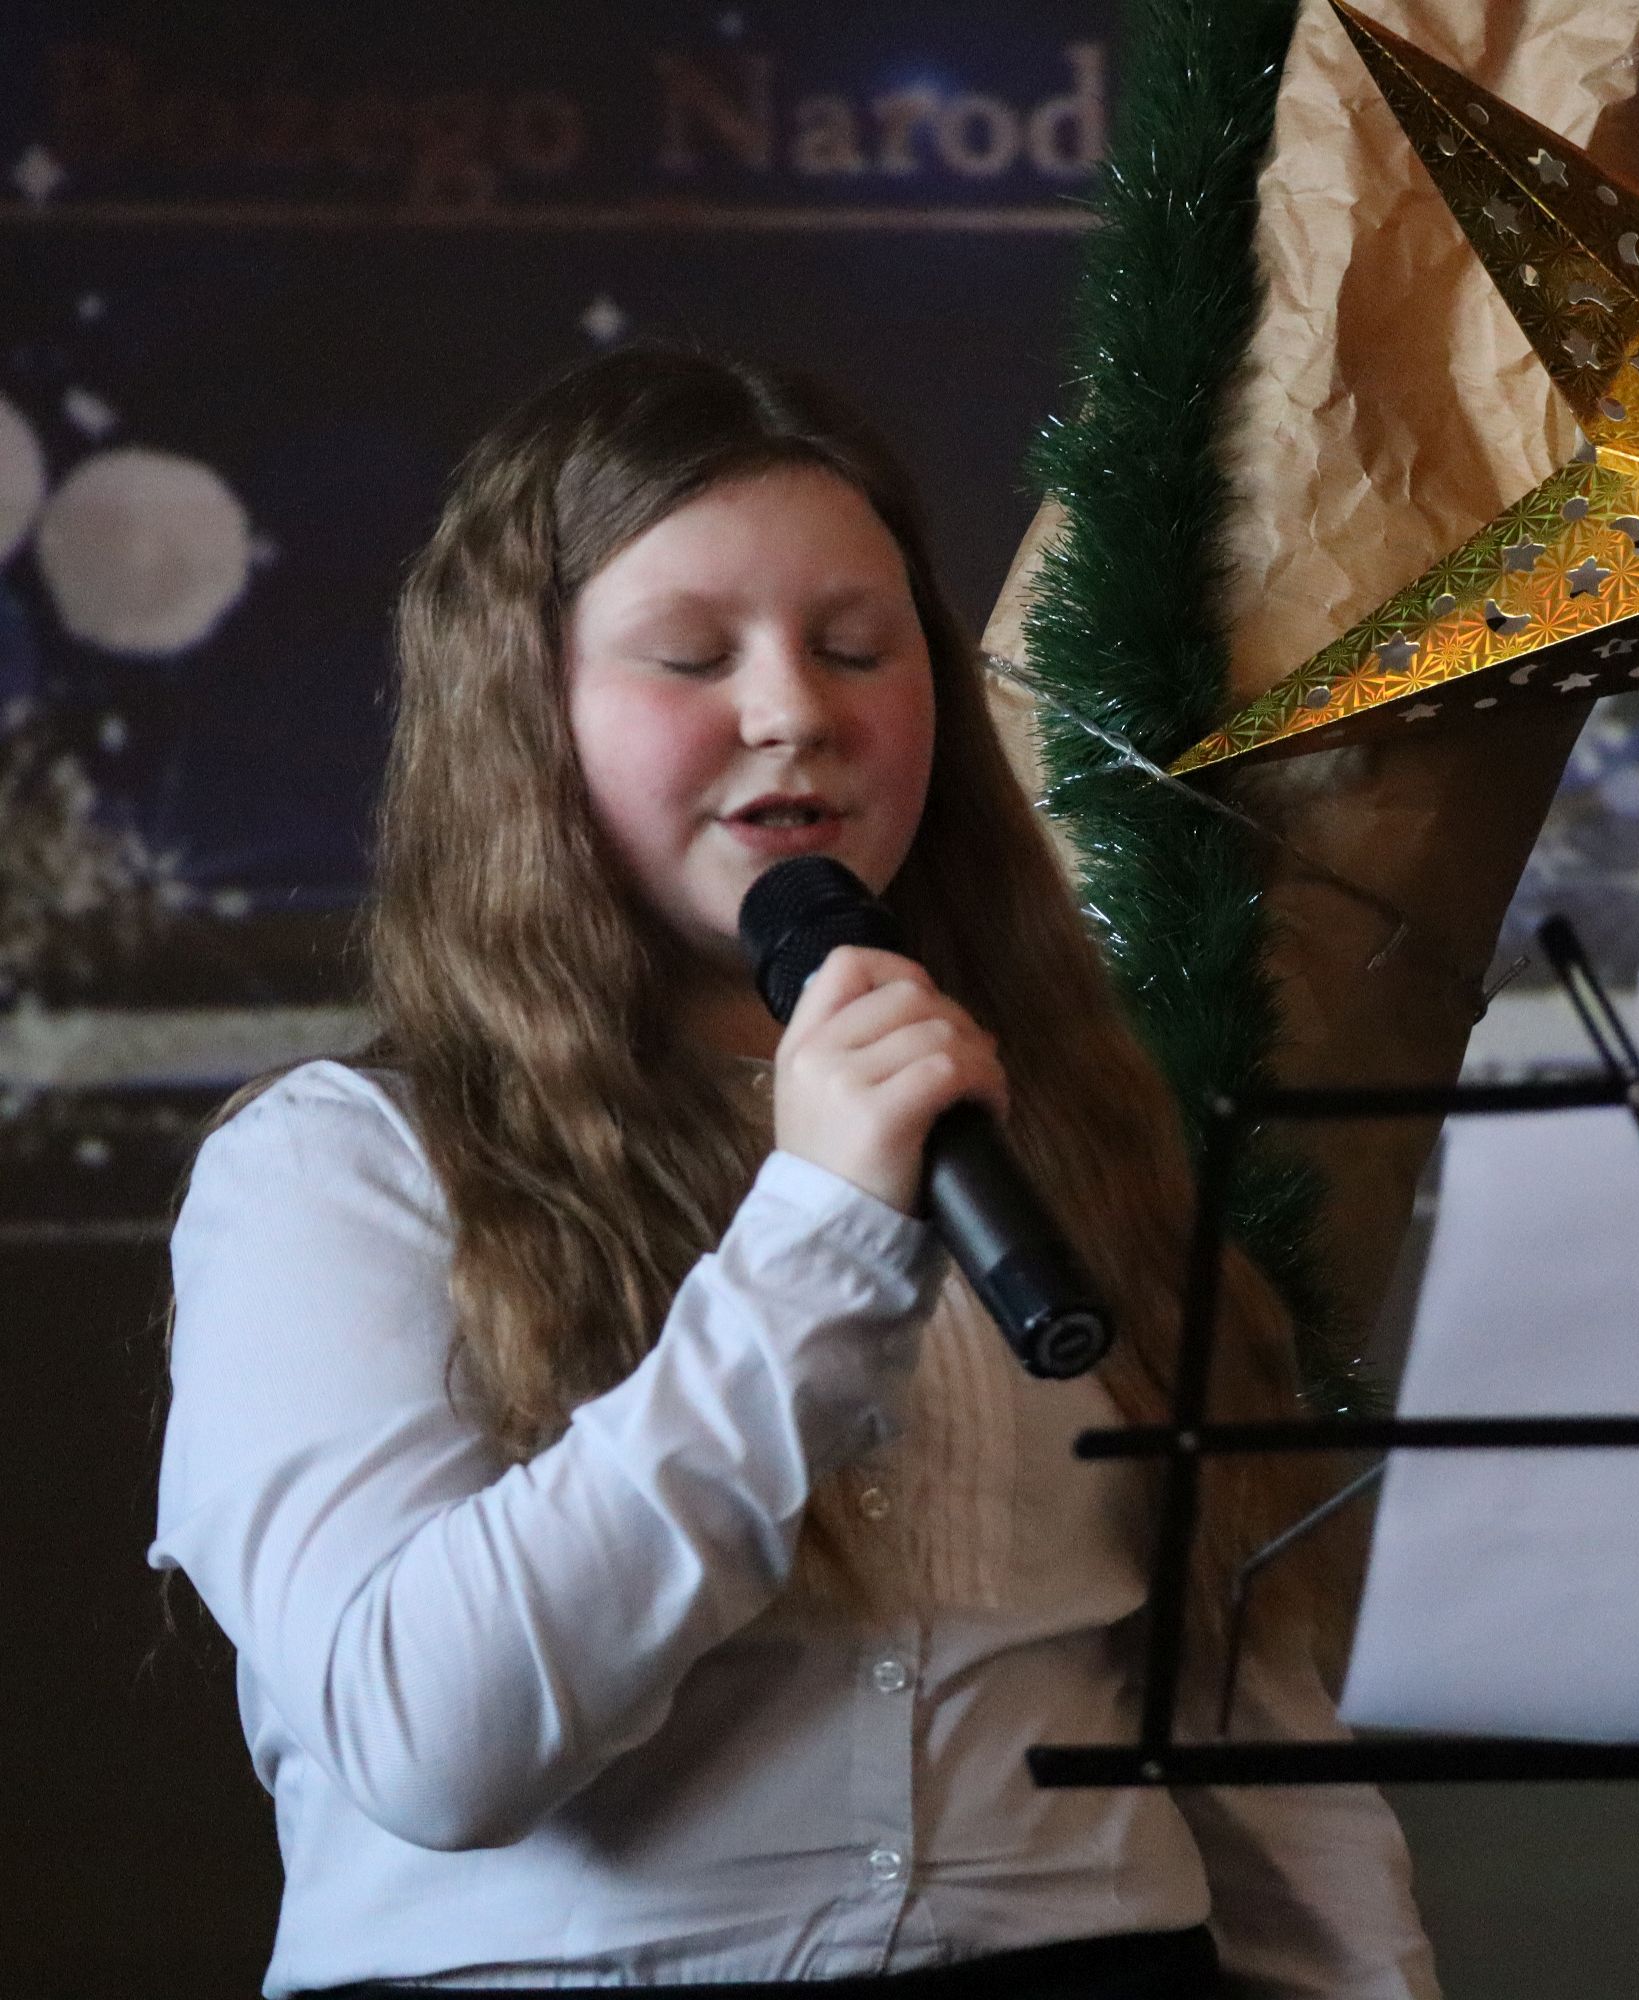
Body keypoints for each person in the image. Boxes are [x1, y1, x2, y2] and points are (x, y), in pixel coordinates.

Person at [150, 347, 1438, 1999]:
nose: (794, 713)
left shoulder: (1069, 1130)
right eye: (693, 656)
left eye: (856, 649)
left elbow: (1246, 1730)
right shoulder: (338, 1172)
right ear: (524, 712)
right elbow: (433, 1745)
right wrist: (819, 1236)